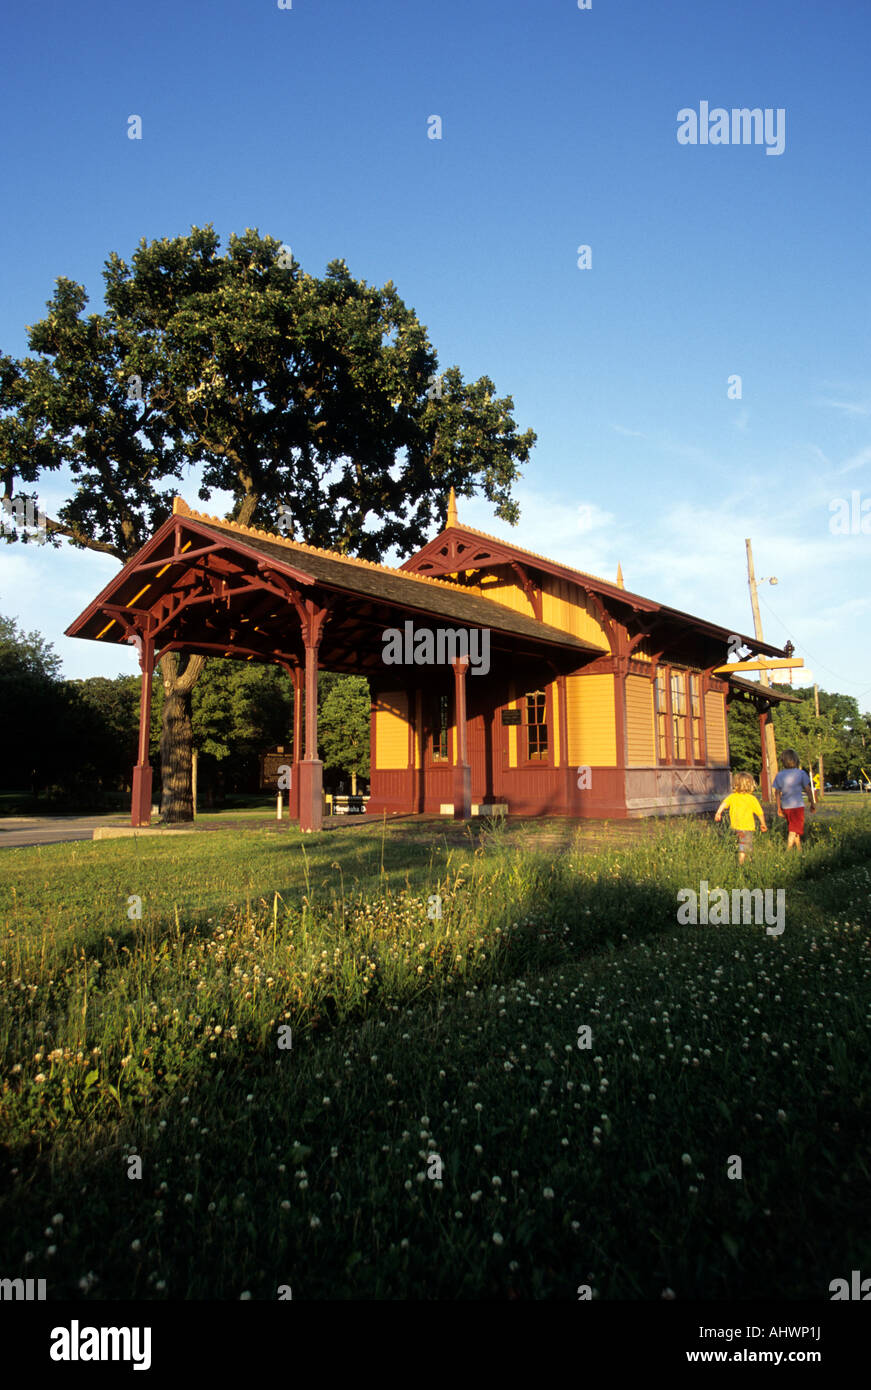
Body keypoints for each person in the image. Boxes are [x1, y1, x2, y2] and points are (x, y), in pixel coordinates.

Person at [714, 771, 768, 865]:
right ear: (750, 785)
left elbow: (724, 804)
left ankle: (746, 861)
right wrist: (763, 824)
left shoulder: (732, 797)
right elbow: (760, 813)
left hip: (735, 827)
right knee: (745, 846)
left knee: (742, 844)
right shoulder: (752, 799)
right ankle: (743, 864)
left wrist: (718, 813)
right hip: (747, 828)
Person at [773, 749, 815, 851]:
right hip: (797, 806)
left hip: (786, 807)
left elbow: (777, 793)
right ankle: (788, 850)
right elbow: (808, 790)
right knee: (793, 830)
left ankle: (799, 849)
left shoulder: (779, 775)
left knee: (794, 828)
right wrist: (812, 803)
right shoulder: (801, 774)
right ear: (796, 760)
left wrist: (779, 807)